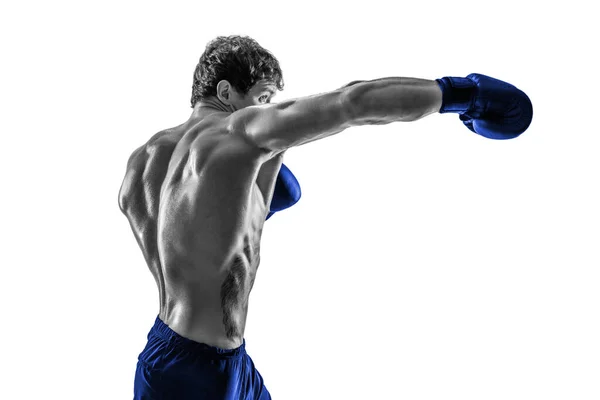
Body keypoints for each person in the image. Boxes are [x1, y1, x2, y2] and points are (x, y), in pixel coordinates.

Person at [118, 35, 533, 400]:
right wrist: (463, 94)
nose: (266, 110)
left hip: (172, 357)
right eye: (263, 98)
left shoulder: (143, 165)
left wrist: (246, 206)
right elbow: (353, 102)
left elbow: (181, 241)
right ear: (226, 91)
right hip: (202, 376)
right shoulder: (237, 132)